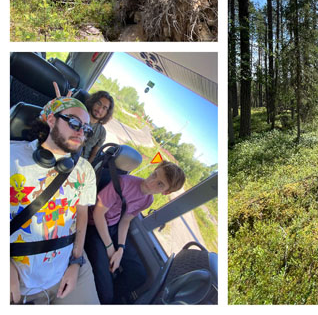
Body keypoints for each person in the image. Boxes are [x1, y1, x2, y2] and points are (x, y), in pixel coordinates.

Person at [10, 97, 100, 304]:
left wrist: (77, 261)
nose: (80, 132)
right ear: (51, 119)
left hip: (68, 269)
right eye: (74, 123)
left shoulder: (85, 170)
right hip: (17, 277)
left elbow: (82, 216)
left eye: (86, 129)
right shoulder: (10, 155)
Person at [84, 163, 186, 304]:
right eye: (154, 174)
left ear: (166, 192)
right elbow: (98, 213)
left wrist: (120, 248)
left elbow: (125, 221)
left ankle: (110, 298)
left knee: (138, 274)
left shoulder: (148, 200)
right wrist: (109, 247)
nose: (151, 182)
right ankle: (106, 295)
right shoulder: (123, 182)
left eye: (160, 184)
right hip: (94, 226)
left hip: (113, 228)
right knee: (106, 293)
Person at [79, 91, 115, 164]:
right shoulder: (78, 115)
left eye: (104, 108)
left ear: (107, 112)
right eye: (99, 104)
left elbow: (93, 154)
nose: (100, 109)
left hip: (82, 162)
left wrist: (85, 167)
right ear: (93, 102)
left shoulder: (102, 132)